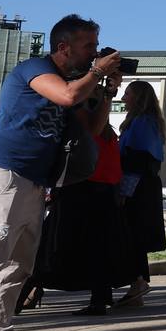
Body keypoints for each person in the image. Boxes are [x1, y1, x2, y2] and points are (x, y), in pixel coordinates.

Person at [0, 14, 122, 331]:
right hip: (6, 175)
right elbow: (65, 97)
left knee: (17, 265)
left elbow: (94, 128)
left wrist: (107, 90)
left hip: (35, 181)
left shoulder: (76, 82)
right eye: (89, 47)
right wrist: (96, 73)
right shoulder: (34, 69)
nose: (94, 53)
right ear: (64, 47)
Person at [32, 73, 133, 316]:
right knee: (99, 247)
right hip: (105, 194)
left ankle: (30, 290)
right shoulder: (110, 136)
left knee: (49, 244)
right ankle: (100, 297)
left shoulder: (83, 132)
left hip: (78, 190)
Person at [114, 81, 166, 308]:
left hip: (136, 185)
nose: (123, 98)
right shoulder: (150, 122)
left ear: (138, 98)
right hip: (144, 184)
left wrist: (124, 191)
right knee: (134, 235)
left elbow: (136, 160)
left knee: (131, 234)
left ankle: (138, 281)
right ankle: (137, 284)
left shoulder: (141, 123)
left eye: (127, 93)